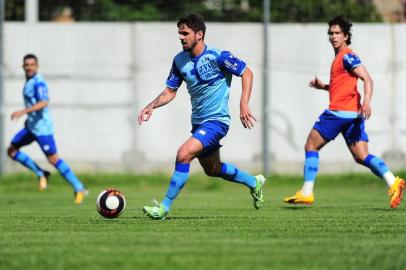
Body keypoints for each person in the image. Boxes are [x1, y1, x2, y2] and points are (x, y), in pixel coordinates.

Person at [138, 13, 266, 220]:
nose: (181, 37)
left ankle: (163, 208)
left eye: (185, 33)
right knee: (213, 169)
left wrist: (243, 103)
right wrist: (151, 105)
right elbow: (170, 91)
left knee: (183, 154)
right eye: (179, 33)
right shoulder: (179, 60)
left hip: (217, 122)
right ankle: (254, 182)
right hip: (198, 123)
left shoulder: (218, 56)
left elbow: (247, 73)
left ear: (199, 34)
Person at [284, 16, 404, 208]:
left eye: (337, 33)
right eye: (331, 33)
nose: (333, 36)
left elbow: (368, 79)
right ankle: (393, 182)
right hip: (352, 115)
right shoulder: (339, 58)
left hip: (338, 113)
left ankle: (307, 192)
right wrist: (323, 86)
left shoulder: (347, 55)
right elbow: (342, 87)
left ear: (346, 36)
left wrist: (367, 102)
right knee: (362, 156)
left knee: (310, 146)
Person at [7, 54, 88, 204]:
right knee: (12, 150)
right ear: (23, 67)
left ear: (37, 66)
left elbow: (44, 102)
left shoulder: (39, 82)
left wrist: (23, 112)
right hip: (31, 127)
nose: (29, 67)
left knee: (53, 159)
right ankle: (41, 172)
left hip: (42, 129)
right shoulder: (29, 81)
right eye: (27, 65)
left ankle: (79, 187)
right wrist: (28, 119)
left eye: (32, 64)